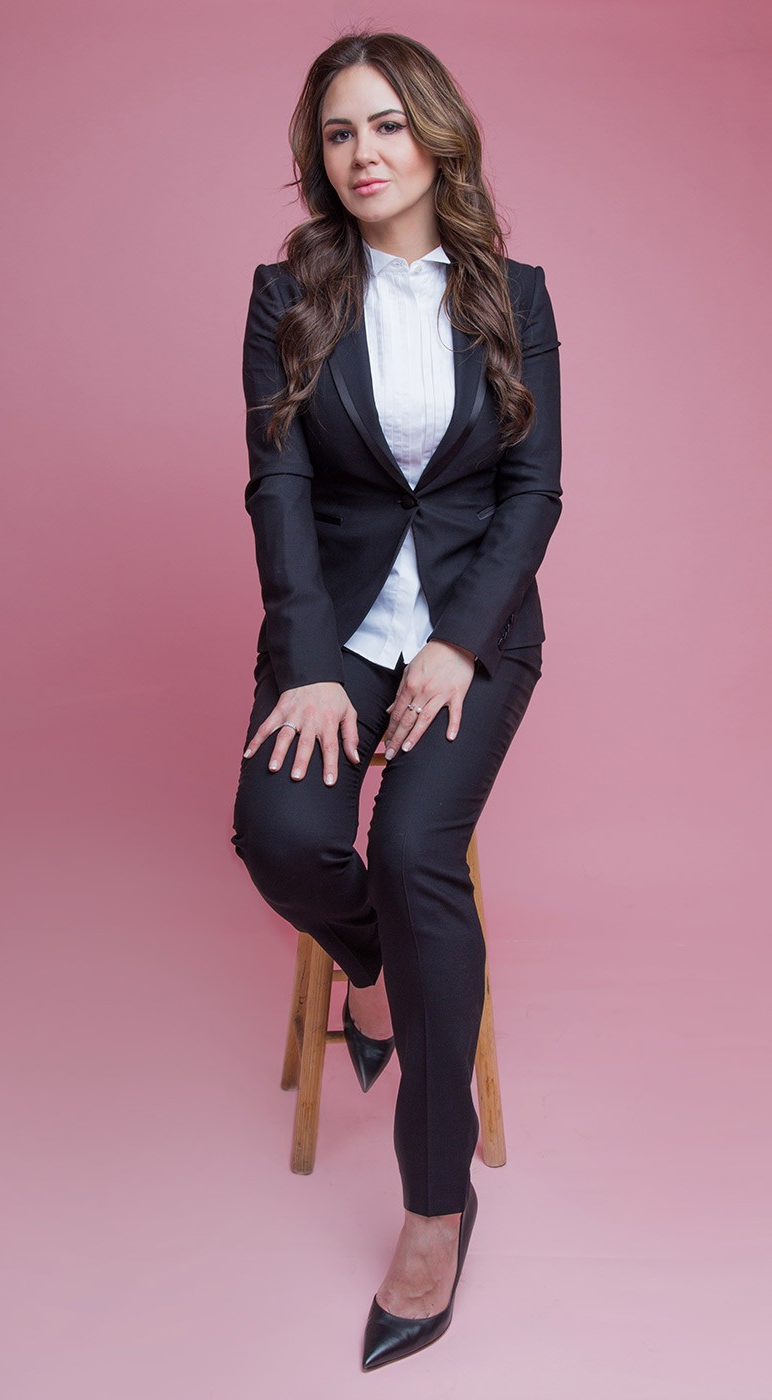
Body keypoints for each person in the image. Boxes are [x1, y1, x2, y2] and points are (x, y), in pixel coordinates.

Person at [231, 29, 562, 1371]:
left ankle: (437, 1204)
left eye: (384, 125)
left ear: (436, 136)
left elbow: (533, 489)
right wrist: (310, 660)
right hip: (338, 633)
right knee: (281, 837)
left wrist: (462, 642)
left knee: (418, 851)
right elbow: (280, 486)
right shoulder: (288, 293)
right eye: (337, 132)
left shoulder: (513, 295)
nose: (362, 154)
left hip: (470, 639)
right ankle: (370, 974)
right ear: (316, 157)